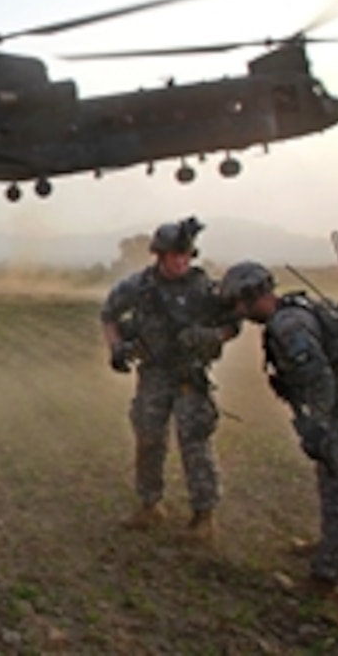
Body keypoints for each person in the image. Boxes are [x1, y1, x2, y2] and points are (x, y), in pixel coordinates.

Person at [219, 261, 338, 597]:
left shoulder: (288, 326)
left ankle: (326, 578)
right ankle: (330, 544)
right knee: (330, 477)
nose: (237, 311)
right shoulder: (294, 309)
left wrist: (318, 426)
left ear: (252, 296)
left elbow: (319, 378)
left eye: (238, 302)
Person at [100, 217, 239, 541]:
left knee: (195, 443)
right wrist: (116, 347)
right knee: (148, 439)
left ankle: (204, 515)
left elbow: (232, 324)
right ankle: (150, 505)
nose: (180, 261)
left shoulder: (205, 289)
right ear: (159, 256)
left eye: (185, 255)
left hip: (189, 376)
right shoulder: (139, 287)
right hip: (153, 375)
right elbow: (109, 314)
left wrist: (209, 336)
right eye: (174, 255)